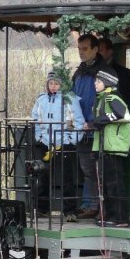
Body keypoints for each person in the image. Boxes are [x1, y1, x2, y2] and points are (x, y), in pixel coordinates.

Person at [72, 34, 116, 219]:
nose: (81, 53)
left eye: (85, 49)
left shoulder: (105, 72)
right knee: (87, 169)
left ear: (95, 49)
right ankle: (89, 204)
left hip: (98, 128)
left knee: (100, 170)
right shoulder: (79, 72)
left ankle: (103, 207)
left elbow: (110, 100)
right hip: (82, 128)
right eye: (79, 49)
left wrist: (94, 121)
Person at [30, 72, 85, 217]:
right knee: (43, 176)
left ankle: (69, 211)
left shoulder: (70, 99)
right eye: (51, 83)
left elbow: (78, 121)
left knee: (66, 178)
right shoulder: (41, 100)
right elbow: (35, 118)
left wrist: (72, 140)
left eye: (56, 84)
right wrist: (39, 136)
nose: (53, 87)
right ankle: (42, 209)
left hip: (64, 143)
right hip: (45, 143)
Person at [90, 70, 130, 227]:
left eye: (98, 81)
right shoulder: (101, 99)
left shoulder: (113, 97)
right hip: (103, 146)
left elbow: (122, 114)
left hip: (113, 146)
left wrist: (104, 119)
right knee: (106, 184)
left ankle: (121, 217)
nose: (95, 84)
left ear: (107, 83)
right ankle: (110, 215)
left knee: (115, 184)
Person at [98, 37, 130, 106]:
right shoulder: (91, 71)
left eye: (100, 50)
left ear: (110, 51)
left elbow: (128, 99)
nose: (97, 54)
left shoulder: (126, 73)